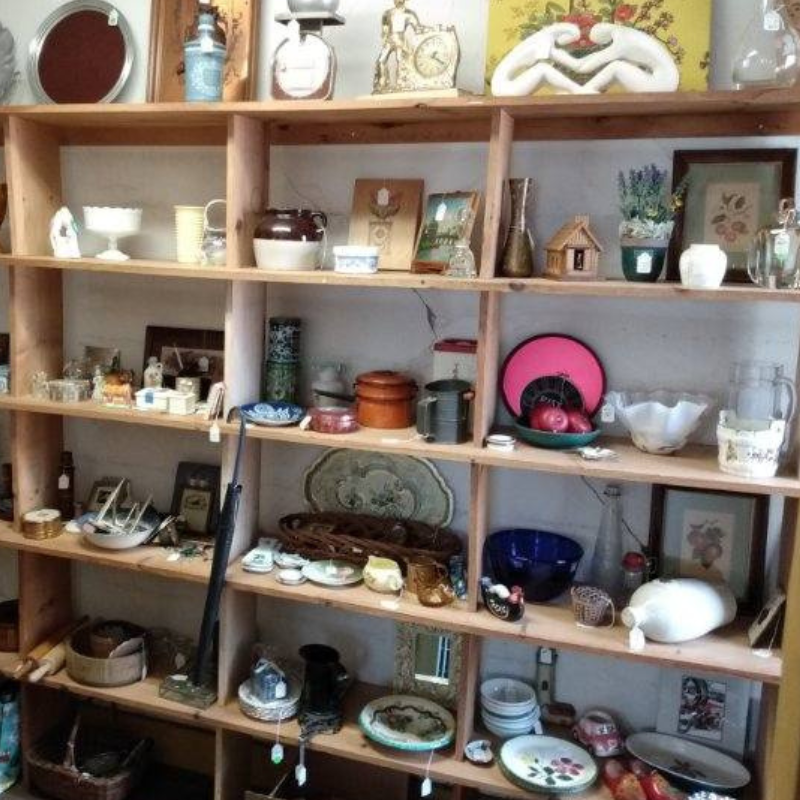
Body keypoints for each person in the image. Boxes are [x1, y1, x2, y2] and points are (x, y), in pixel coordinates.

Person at [374, 0, 420, 91]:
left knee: (400, 61)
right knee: (381, 61)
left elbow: (418, 28)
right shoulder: (387, 13)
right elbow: (385, 29)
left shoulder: (409, 14)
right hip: (390, 39)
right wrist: (385, 38)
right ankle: (382, 84)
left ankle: (401, 84)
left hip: (400, 39)